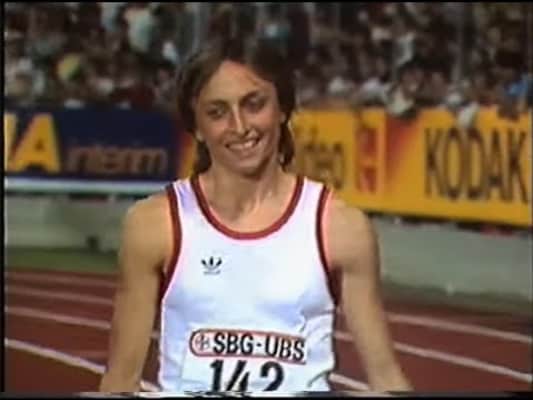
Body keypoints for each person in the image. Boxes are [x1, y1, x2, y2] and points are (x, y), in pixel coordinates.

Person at [99, 36, 412, 394]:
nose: (240, 126)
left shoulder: (340, 228)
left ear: (282, 108)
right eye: (217, 112)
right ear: (197, 127)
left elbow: (386, 379)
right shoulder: (154, 225)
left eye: (253, 104)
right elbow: (120, 382)